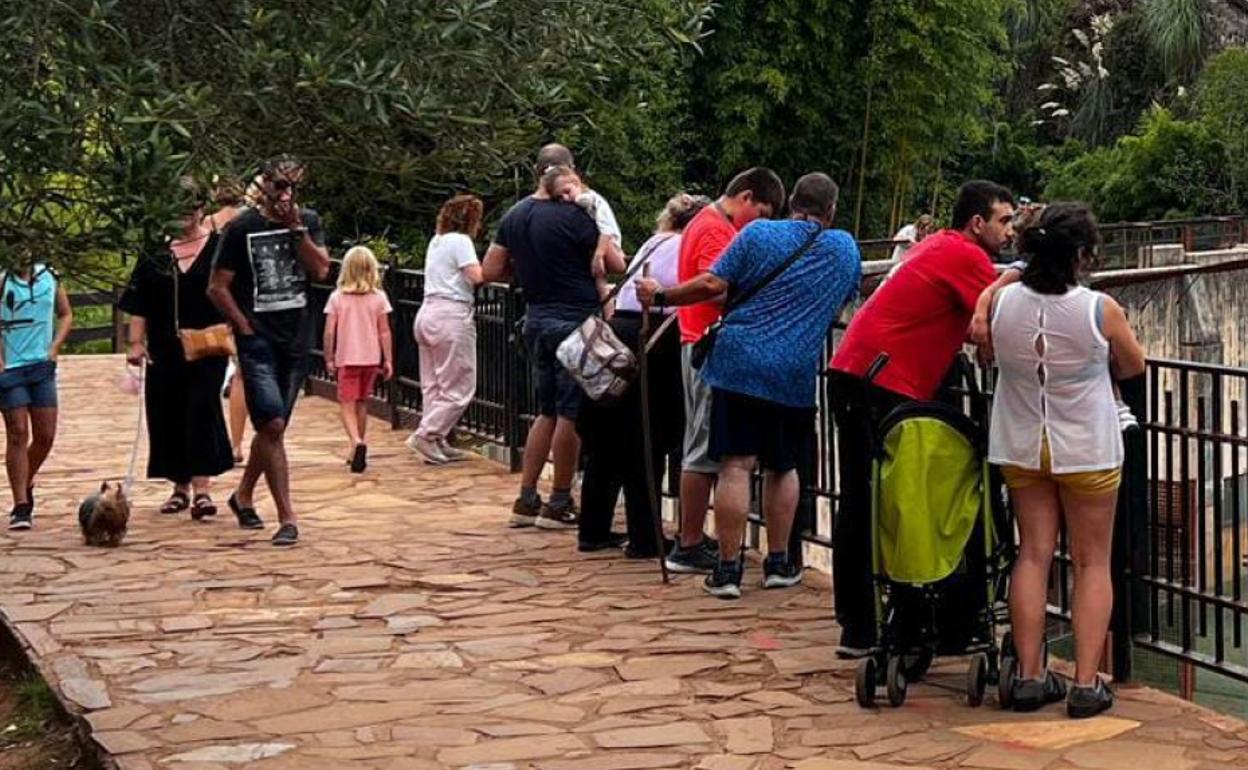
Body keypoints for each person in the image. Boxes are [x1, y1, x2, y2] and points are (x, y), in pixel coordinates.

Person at [639, 174, 861, 599]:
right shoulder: (843, 249)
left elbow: (712, 285)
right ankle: (779, 563)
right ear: (830, 212)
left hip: (738, 364)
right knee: (784, 466)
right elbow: (846, 301)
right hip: (793, 372)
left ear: (792, 202)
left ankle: (726, 569)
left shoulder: (758, 233)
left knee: (735, 465)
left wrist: (662, 296)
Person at [827, 180, 1019, 656]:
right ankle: (899, 620)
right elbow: (1000, 320)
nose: (1010, 231)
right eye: (1004, 221)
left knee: (862, 500)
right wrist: (1014, 276)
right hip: (882, 382)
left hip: (858, 372)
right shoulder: (966, 257)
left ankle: (862, 623)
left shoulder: (937, 246)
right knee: (886, 502)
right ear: (978, 223)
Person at [988, 203, 1144, 718]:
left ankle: (1031, 676)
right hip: (1087, 447)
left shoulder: (1002, 303)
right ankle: (1085, 684)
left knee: (1032, 554)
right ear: (1081, 255)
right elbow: (1133, 363)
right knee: (1091, 560)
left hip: (1021, 441)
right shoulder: (1099, 309)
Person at [482, 144, 627, 530]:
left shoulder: (515, 216)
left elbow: (490, 269)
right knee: (570, 414)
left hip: (536, 319)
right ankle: (560, 500)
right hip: (575, 322)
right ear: (569, 172)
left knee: (545, 412)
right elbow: (617, 264)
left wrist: (528, 271)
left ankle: (526, 497)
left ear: (537, 172)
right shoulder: (577, 217)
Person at [664, 167, 786, 575]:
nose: (763, 225)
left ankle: (696, 537)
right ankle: (691, 542)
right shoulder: (716, 229)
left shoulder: (707, 222)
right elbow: (716, 286)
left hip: (698, 338)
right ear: (746, 197)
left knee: (702, 445)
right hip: (707, 342)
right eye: (763, 214)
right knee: (701, 448)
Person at [208, 155, 331, 547]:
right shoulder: (242, 226)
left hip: (295, 338)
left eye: (291, 186)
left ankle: (242, 495)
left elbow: (322, 270)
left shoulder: (307, 221)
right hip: (257, 339)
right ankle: (287, 517)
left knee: (272, 426)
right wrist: (242, 325)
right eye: (278, 186)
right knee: (273, 426)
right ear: (263, 188)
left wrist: (297, 231)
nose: (285, 193)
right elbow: (217, 285)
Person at [576, 193, 708, 555]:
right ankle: (645, 535)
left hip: (620, 329)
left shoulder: (655, 241)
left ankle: (593, 528)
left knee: (608, 436)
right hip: (654, 336)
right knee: (648, 438)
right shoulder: (689, 246)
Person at [120, 177, 234, 520]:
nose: (186, 214)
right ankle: (178, 487)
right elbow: (138, 301)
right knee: (167, 411)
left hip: (206, 344)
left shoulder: (218, 247)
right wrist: (135, 343)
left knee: (202, 408)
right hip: (165, 347)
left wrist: (236, 326)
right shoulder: (155, 252)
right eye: (178, 208)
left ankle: (202, 488)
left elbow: (234, 290)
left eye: (192, 206)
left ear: (202, 208)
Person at [407, 194, 485, 464]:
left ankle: (437, 439)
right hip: (452, 314)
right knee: (460, 385)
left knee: (434, 384)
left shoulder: (437, 240)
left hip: (428, 312)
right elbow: (476, 276)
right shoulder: (461, 241)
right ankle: (427, 433)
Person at [0, 260, 72, 530]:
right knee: (17, 432)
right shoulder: (3, 280)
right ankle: (21, 505)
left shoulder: (50, 276)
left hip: (41, 366)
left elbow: (65, 314)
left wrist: (54, 347)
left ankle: (25, 478)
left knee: (45, 435)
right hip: (11, 370)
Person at [323, 246, 394, 473]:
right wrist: (388, 359)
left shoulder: (337, 298)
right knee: (362, 401)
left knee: (346, 402)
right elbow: (384, 331)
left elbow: (329, 332)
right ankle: (358, 446)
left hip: (347, 357)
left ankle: (355, 442)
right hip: (371, 357)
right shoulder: (379, 298)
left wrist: (329, 356)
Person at [540, 165, 626, 306]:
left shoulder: (588, 199)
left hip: (608, 242)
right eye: (560, 197)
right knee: (600, 285)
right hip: (595, 246)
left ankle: (610, 318)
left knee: (603, 285)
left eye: (567, 192)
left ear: (577, 183)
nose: (566, 198)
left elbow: (606, 229)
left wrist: (599, 254)